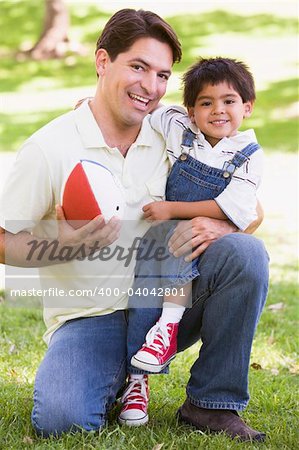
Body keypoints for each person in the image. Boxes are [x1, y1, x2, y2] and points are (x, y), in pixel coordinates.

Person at [0, 9, 269, 442]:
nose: (150, 87)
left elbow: (250, 208)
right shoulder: (49, 148)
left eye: (162, 75)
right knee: (61, 421)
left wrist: (223, 228)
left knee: (246, 253)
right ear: (102, 61)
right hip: (92, 316)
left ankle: (211, 404)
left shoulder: (171, 134)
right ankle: (119, 374)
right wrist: (61, 244)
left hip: (168, 302)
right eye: (138, 67)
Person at [122, 57, 263, 412]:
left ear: (247, 107)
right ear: (190, 110)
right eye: (206, 102)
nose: (218, 110)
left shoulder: (248, 154)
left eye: (229, 101)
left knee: (185, 237)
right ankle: (137, 377)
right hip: (160, 256)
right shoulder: (177, 126)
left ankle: (171, 329)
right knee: (159, 256)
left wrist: (173, 209)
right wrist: (87, 107)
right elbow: (139, 110)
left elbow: (238, 208)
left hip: (200, 251)